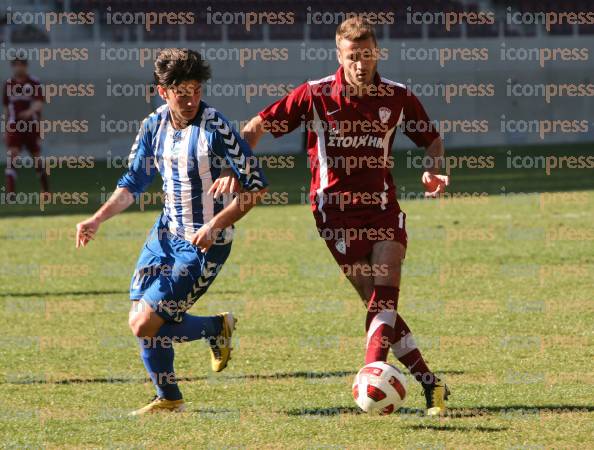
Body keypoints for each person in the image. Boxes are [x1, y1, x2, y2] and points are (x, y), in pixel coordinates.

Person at [228, 17, 451, 415]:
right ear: (339, 55)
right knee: (376, 304)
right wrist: (236, 170)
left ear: (377, 52)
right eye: (353, 56)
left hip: (383, 209)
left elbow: (431, 138)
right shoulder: (314, 95)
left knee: (384, 292)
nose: (361, 64)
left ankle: (372, 376)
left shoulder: (397, 96)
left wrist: (435, 168)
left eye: (367, 55)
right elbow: (254, 128)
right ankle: (430, 384)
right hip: (334, 217)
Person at [75, 48, 267, 415]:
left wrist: (215, 224)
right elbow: (133, 182)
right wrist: (97, 218)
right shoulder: (154, 125)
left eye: (196, 89)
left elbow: (255, 187)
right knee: (140, 319)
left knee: (147, 323)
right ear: (163, 92)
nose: (191, 98)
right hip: (164, 235)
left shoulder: (216, 128)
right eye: (182, 92)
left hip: (202, 245)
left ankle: (213, 330)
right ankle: (171, 397)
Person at [3, 54, 48, 198]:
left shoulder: (34, 82)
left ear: (25, 66)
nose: (17, 67)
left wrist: (30, 112)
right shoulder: (8, 84)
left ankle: (45, 190)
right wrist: (4, 128)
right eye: (15, 65)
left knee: (36, 158)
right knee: (13, 156)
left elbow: (39, 103)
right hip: (14, 126)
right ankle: (10, 193)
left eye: (20, 64)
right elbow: (6, 107)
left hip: (31, 126)